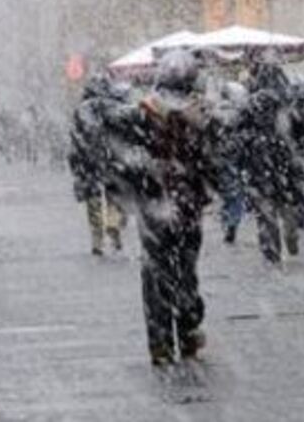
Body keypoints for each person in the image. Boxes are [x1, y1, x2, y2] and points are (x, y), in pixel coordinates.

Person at [105, 51, 214, 366]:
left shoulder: (143, 112)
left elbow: (113, 137)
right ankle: (188, 333)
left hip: (154, 208)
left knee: (155, 273)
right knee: (186, 270)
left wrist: (130, 185)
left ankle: (160, 342)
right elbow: (212, 161)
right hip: (188, 208)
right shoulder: (201, 115)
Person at [238, 62, 304, 263]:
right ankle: (291, 234)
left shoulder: (251, 104)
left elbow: (237, 133)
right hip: (285, 162)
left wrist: (247, 153)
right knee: (288, 202)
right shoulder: (287, 102)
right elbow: (302, 130)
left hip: (259, 166)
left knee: (265, 211)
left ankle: (272, 253)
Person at [68, 74, 129, 256]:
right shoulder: (114, 107)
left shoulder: (81, 110)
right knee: (115, 196)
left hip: (88, 162)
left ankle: (97, 239)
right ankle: (113, 223)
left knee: (93, 200)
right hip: (112, 159)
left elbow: (75, 138)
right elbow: (123, 133)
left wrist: (77, 160)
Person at [208, 81, 248, 244]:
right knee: (236, 194)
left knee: (225, 194)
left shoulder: (213, 114)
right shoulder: (240, 113)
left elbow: (208, 138)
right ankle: (232, 222)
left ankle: (227, 223)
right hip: (235, 157)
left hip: (218, 158)